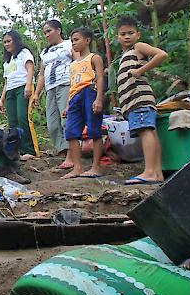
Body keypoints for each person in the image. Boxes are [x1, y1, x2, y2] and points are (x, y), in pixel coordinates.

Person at [115, 15, 167, 185]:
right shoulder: (124, 55)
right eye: (123, 34)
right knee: (149, 132)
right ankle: (157, 173)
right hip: (133, 102)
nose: (127, 36)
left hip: (140, 99)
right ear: (117, 37)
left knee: (146, 132)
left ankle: (150, 171)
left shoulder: (138, 47)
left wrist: (140, 71)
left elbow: (161, 54)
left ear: (138, 34)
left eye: (131, 33)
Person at [61, 27, 105, 179]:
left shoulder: (94, 58)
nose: (74, 43)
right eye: (72, 41)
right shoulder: (73, 64)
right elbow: (72, 84)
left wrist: (99, 98)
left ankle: (95, 167)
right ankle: (77, 167)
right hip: (75, 96)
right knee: (71, 131)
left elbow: (100, 78)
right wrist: (68, 104)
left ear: (87, 40)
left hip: (90, 92)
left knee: (94, 129)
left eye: (77, 39)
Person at [31, 20, 75, 169]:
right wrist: (36, 93)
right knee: (52, 124)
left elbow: (77, 62)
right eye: (45, 33)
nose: (47, 35)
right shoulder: (45, 52)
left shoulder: (69, 44)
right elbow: (42, 75)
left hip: (65, 84)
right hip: (50, 88)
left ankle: (71, 155)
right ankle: (63, 151)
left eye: (49, 31)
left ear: (58, 30)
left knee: (66, 120)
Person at [0, 31, 38, 160]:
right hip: (10, 90)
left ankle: (30, 150)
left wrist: (28, 86)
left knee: (23, 117)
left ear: (16, 40)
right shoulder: (7, 62)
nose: (7, 44)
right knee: (13, 121)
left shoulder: (24, 53)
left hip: (23, 87)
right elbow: (7, 81)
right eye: (4, 42)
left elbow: (30, 69)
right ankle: (18, 149)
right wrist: (1, 100)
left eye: (9, 41)